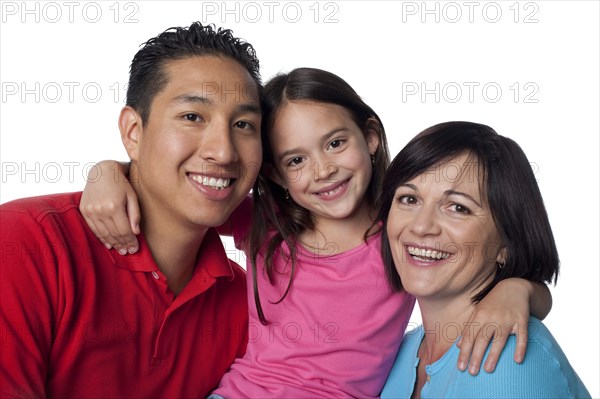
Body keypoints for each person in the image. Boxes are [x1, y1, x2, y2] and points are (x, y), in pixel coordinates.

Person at [80, 69, 553, 398]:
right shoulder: (266, 225)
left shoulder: (402, 232)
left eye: (335, 143)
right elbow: (175, 192)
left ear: (369, 138)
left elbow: (519, 283)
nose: (323, 170)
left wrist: (516, 289)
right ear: (277, 176)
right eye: (296, 160)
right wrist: (106, 170)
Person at [0, 22, 263, 398]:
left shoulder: (246, 303)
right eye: (192, 117)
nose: (223, 152)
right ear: (133, 132)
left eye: (243, 124)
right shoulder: (26, 241)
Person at [378, 121, 591, 398]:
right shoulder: (401, 351)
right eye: (409, 199)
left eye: (458, 207)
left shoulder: (508, 361)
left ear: (506, 242)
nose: (421, 226)